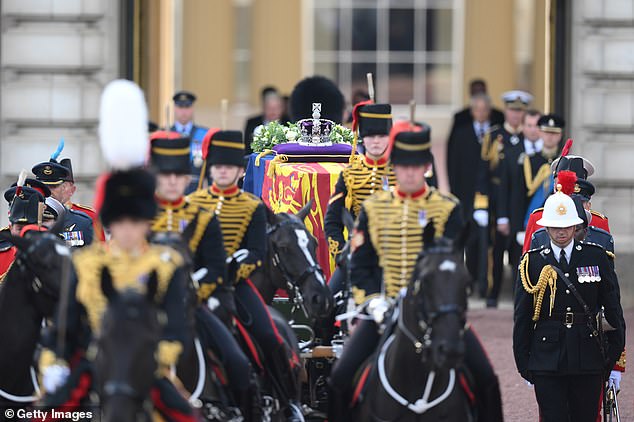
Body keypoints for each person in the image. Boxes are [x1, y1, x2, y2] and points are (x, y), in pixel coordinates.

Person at [328, 122, 503, 422]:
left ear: (426, 166)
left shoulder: (447, 207)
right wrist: (372, 301)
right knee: (340, 378)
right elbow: (361, 264)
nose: (409, 173)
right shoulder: (374, 208)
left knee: (487, 378)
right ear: (394, 166)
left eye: (416, 166)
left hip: (438, 310)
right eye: (403, 166)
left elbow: (449, 263)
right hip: (385, 309)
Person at [38, 168, 196, 421]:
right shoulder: (85, 263)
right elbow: (65, 324)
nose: (127, 231)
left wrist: (154, 358)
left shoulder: (166, 263)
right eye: (120, 223)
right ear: (110, 223)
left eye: (135, 222)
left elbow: (176, 327)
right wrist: (53, 361)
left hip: (146, 366)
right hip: (93, 362)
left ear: (146, 223)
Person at [187, 130, 303, 421]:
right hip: (198, 285)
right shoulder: (193, 204)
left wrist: (233, 270)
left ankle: (289, 402)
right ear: (210, 169)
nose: (223, 171)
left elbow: (256, 251)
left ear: (240, 171)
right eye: (217, 166)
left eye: (229, 167)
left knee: (269, 335)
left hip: (235, 285)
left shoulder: (253, 206)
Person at [148, 131, 258, 419]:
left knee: (237, 361)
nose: (172, 181)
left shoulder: (203, 218)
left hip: (194, 301)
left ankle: (242, 412)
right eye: (165, 174)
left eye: (178, 175)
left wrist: (190, 289)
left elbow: (215, 267)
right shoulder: (142, 217)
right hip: (147, 304)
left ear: (187, 178)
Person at [513, 187, 625, 422]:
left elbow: (613, 309)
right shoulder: (532, 261)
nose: (561, 231)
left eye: (565, 226)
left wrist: (612, 356)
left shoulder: (596, 257)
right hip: (546, 357)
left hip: (588, 357)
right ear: (546, 227)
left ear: (575, 227)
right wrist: (524, 362)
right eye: (555, 226)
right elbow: (522, 317)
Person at [325, 102, 394, 296]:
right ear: (363, 138)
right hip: (356, 255)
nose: (376, 142)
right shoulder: (349, 175)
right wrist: (341, 256)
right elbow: (332, 220)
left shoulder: (401, 173)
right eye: (371, 136)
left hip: (396, 257)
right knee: (326, 307)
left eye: (381, 136)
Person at [473, 90, 533, 307]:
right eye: (511, 110)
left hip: (520, 202)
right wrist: (480, 205)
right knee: (495, 251)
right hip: (497, 200)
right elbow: (482, 172)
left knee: (520, 251)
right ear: (505, 111)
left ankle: (521, 295)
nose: (515, 115)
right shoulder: (493, 135)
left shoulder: (529, 136)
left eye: (519, 111)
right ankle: (492, 294)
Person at [447, 93, 494, 286]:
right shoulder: (461, 133)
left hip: (488, 195)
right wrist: (454, 192)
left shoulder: (495, 135)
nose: (481, 113)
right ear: (472, 111)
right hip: (464, 195)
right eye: (477, 109)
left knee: (485, 240)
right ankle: (462, 279)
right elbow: (452, 164)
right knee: (465, 237)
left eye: (484, 110)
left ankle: (483, 281)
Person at [523, 154, 610, 253]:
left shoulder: (598, 221)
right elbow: (527, 260)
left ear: (588, 205)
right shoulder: (538, 218)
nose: (571, 207)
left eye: (578, 202)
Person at [31, 161, 94, 248]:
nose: (48, 192)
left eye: (53, 187)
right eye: (43, 187)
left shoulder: (82, 222)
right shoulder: (27, 220)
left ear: (63, 188)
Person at [0, 184, 48, 282]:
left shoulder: (51, 255)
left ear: (39, 227)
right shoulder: (2, 256)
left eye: (30, 228)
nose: (25, 233)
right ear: (10, 228)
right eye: (19, 228)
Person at [170, 90, 210, 193]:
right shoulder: (166, 134)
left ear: (192, 108)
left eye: (187, 107)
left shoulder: (205, 134)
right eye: (180, 107)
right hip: (172, 188)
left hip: (197, 190)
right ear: (174, 109)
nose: (183, 111)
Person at [244, 86, 288, 155]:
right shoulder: (252, 123)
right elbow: (247, 148)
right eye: (270, 108)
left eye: (276, 108)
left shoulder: (288, 123)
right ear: (264, 108)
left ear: (282, 108)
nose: (273, 111)